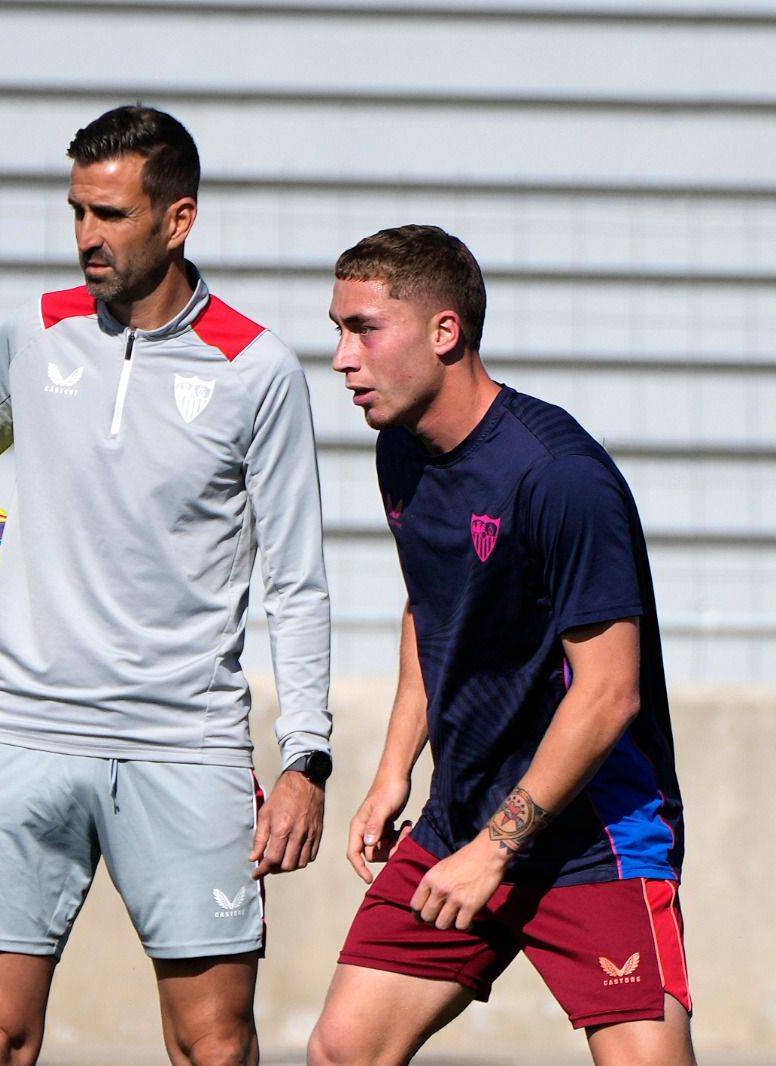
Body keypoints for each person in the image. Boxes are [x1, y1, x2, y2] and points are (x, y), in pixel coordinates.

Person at [0, 105, 333, 1066]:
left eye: (111, 215)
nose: (87, 236)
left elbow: (297, 582)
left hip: (185, 744)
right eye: (77, 211)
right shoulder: (32, 338)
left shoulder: (258, 370)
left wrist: (306, 755)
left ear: (178, 220)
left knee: (213, 1042)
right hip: (23, 730)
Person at [309, 225, 693, 1066]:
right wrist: (391, 772)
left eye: (364, 329)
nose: (341, 357)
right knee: (344, 1050)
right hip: (462, 817)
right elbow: (431, 605)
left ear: (445, 332)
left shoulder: (558, 475)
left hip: (594, 832)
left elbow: (608, 693)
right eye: (338, 329)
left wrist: (497, 849)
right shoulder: (400, 451)